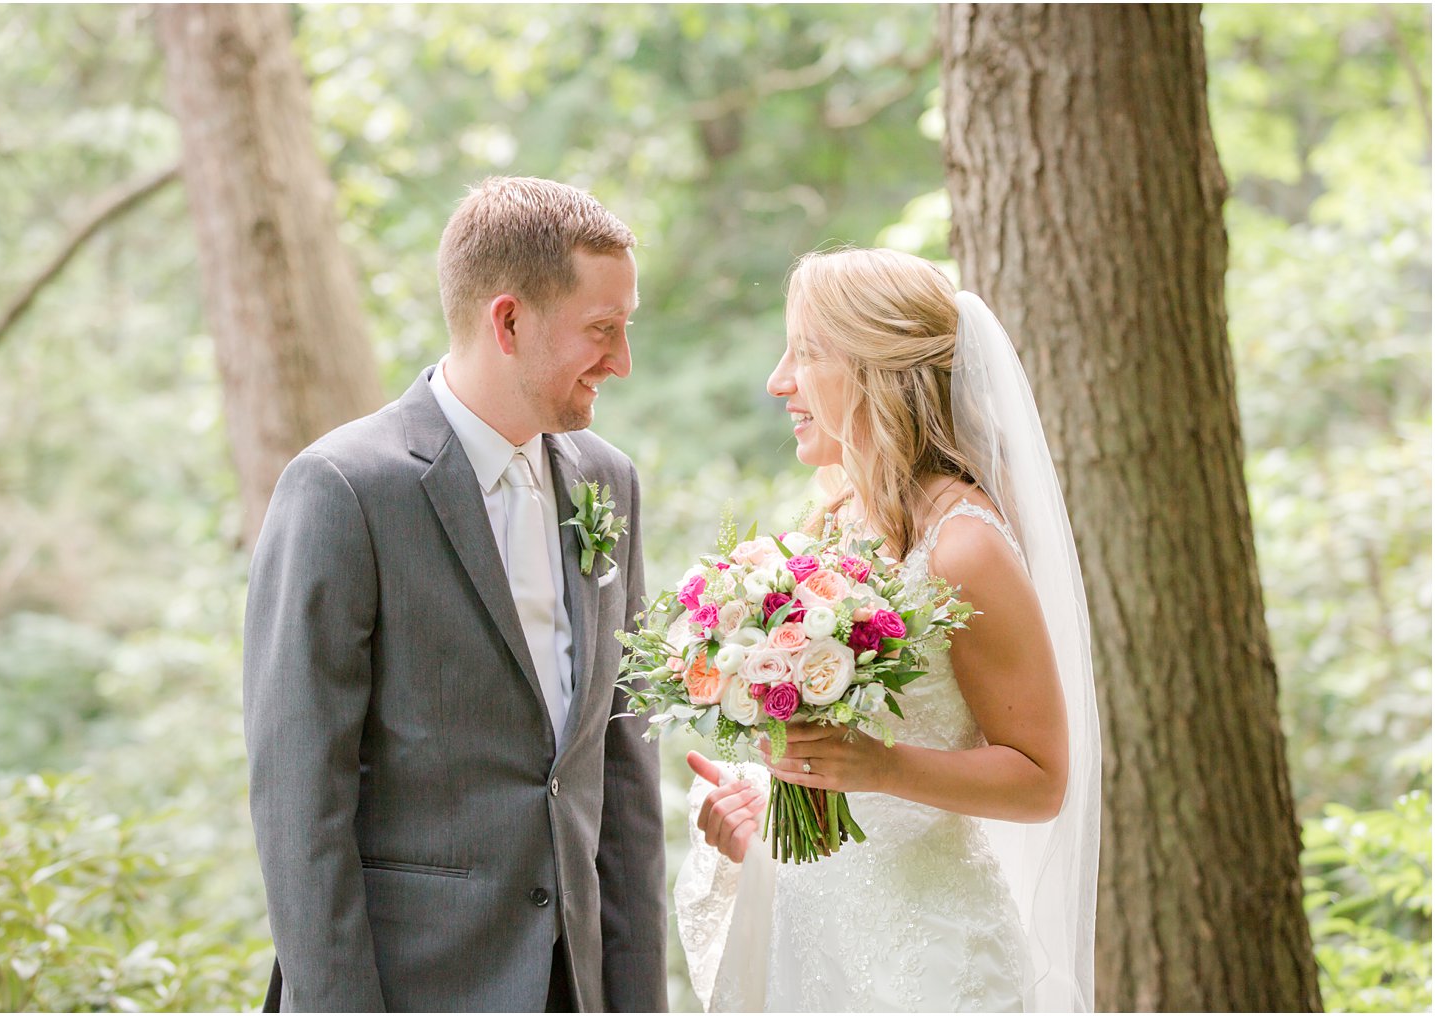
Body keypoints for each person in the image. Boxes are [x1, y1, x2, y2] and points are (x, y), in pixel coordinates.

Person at [243, 176, 666, 1013]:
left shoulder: (607, 482)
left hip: (574, 985)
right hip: (411, 988)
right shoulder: (343, 487)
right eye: (601, 330)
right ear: (507, 321)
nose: (621, 361)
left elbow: (623, 775)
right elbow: (300, 803)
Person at [677, 247, 1101, 1012]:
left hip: (927, 955)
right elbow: (844, 764)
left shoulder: (964, 545)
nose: (779, 381)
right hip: (815, 939)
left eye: (805, 352)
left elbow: (1042, 779)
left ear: (879, 368)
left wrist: (879, 768)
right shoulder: (839, 524)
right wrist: (767, 810)